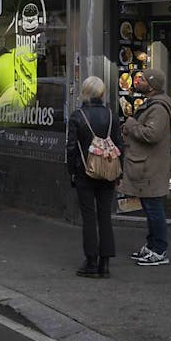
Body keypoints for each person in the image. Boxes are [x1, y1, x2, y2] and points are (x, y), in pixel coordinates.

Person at [66, 76, 122, 278]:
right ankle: (105, 263)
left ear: (85, 92)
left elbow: (71, 148)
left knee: (89, 217)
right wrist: (118, 172)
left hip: (85, 172)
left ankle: (91, 262)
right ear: (102, 93)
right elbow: (118, 145)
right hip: (108, 171)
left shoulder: (77, 116)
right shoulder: (111, 115)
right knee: (105, 216)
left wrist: (72, 172)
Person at [120, 68, 171, 267]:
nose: (137, 80)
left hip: (151, 167)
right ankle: (152, 246)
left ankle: (159, 250)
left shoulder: (158, 108)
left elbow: (152, 135)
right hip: (146, 165)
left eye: (142, 79)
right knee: (150, 208)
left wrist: (132, 125)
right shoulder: (152, 104)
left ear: (152, 85)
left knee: (154, 209)